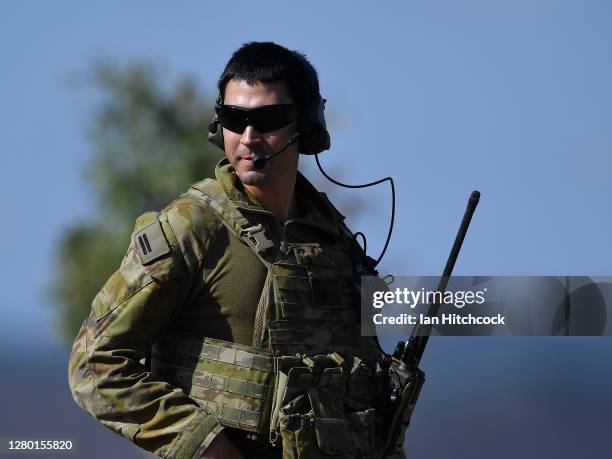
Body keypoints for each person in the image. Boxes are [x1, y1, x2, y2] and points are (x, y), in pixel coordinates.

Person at [68, 41, 391, 459]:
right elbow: (94, 365)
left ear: (306, 125)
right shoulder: (192, 227)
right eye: (234, 119)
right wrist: (207, 445)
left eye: (269, 119)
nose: (249, 137)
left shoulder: (332, 239)